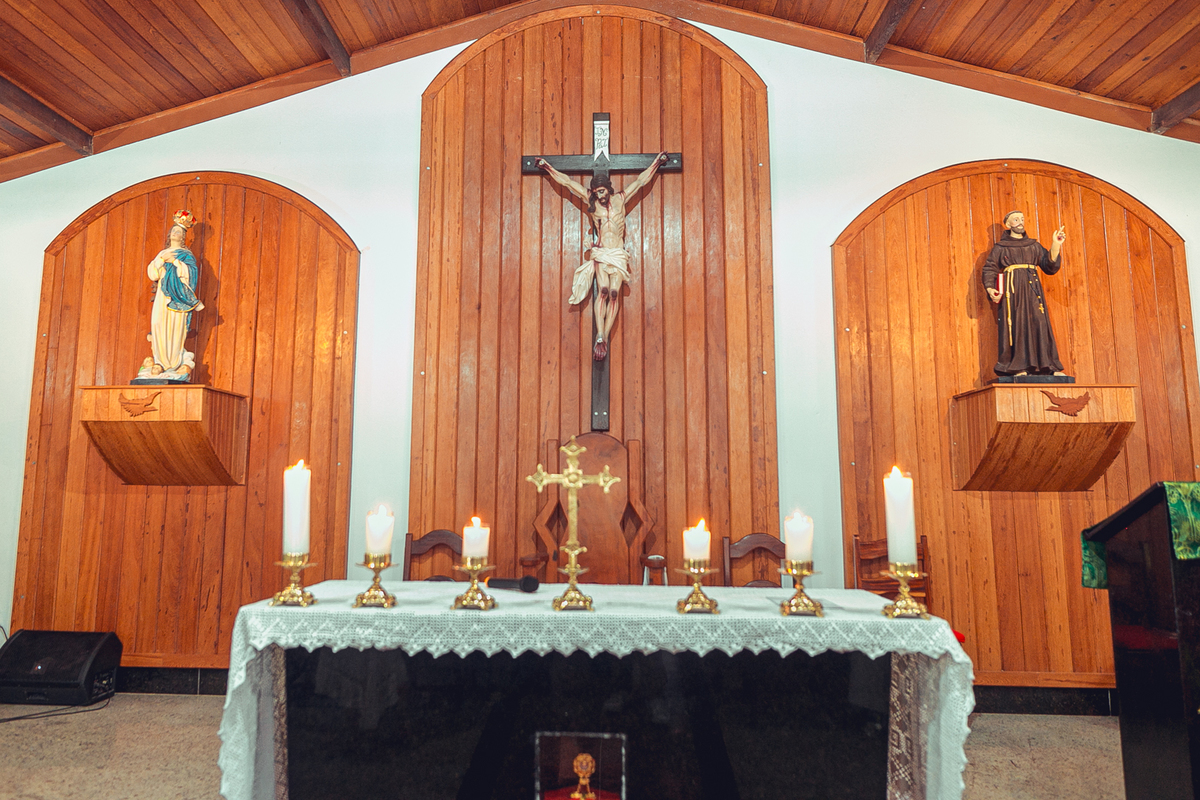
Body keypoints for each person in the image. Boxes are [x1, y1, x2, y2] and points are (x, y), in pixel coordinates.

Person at [537, 152, 667, 361]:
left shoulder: (620, 200)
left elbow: (641, 181)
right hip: (601, 252)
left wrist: (656, 164)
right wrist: (548, 167)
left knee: (615, 293)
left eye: (603, 191)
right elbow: (568, 183)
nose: (601, 196)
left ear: (609, 188)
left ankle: (604, 335)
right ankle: (600, 334)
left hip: (617, 253)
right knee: (604, 291)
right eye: (597, 193)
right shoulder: (591, 201)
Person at [981, 210, 1067, 377]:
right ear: (1008, 225)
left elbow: (1049, 266)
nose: (1020, 222)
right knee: (1017, 325)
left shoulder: (1033, 245)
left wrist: (1056, 245)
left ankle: (1048, 367)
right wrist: (991, 288)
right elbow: (990, 268)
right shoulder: (1000, 248)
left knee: (1040, 323)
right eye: (1015, 219)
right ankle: (1017, 367)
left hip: (1033, 290)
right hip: (1012, 292)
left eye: (1021, 219)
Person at [139, 210, 203, 381]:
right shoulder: (162, 253)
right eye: (173, 230)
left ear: (183, 236)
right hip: (162, 296)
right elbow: (153, 274)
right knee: (158, 324)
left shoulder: (186, 255)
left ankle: (174, 364)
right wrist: (161, 260)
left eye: (179, 232)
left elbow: (191, 275)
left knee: (176, 328)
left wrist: (174, 261)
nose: (175, 233)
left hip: (178, 298)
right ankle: (159, 362)